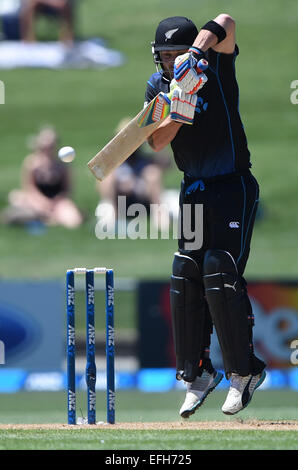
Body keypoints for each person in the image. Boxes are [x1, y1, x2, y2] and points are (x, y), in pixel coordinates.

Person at [146, 14, 266, 418]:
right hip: (193, 190)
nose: (169, 61)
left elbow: (227, 21)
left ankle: (244, 373)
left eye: (175, 53)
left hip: (232, 185)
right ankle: (197, 374)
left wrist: (197, 53)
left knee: (219, 266)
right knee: (186, 269)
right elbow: (157, 143)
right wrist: (179, 107)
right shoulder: (156, 87)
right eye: (165, 55)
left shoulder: (215, 64)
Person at [96, 117, 174, 233]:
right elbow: (99, 176)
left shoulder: (145, 159)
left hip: (143, 198)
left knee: (152, 173)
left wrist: (152, 141)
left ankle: (159, 215)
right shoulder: (113, 161)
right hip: (120, 199)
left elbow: (167, 163)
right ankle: (113, 215)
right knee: (108, 177)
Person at [3, 126, 83, 229]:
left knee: (74, 221)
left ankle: (46, 219)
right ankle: (45, 218)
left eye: (51, 143)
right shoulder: (31, 163)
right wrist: (43, 203)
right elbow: (29, 188)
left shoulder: (63, 165)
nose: (48, 146)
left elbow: (67, 190)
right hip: (36, 199)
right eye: (45, 142)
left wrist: (55, 202)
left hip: (58, 202)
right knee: (16, 197)